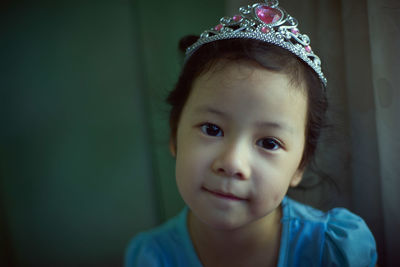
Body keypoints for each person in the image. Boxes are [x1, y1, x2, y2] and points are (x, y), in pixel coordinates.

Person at [125, 0, 378, 266]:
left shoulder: (331, 251)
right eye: (212, 129)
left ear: (300, 166)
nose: (232, 163)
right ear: (175, 134)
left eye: (269, 143)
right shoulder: (151, 257)